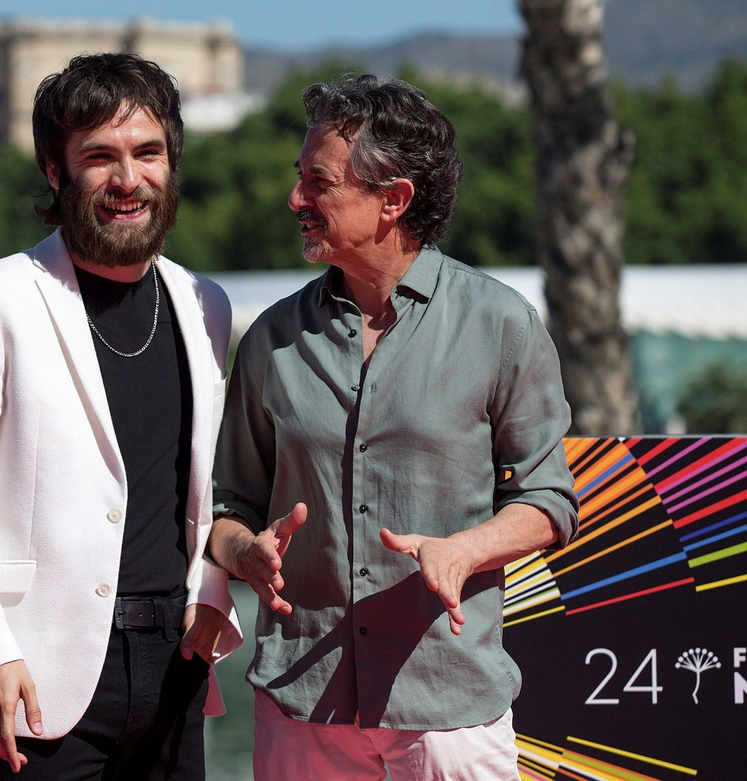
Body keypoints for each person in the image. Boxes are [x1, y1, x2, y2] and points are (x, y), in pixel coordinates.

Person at [208, 75, 580, 781]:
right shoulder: (270, 340)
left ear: (394, 199)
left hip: (448, 703)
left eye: (318, 183)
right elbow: (229, 509)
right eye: (299, 177)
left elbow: (549, 501)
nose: (295, 199)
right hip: (299, 703)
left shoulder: (501, 325)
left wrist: (463, 551)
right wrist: (245, 552)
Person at [0, 53, 243, 781]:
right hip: (32, 673)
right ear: (55, 170)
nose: (128, 179)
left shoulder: (205, 304)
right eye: (100, 157)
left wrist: (213, 595)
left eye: (148, 153)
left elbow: (204, 488)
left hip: (178, 663)